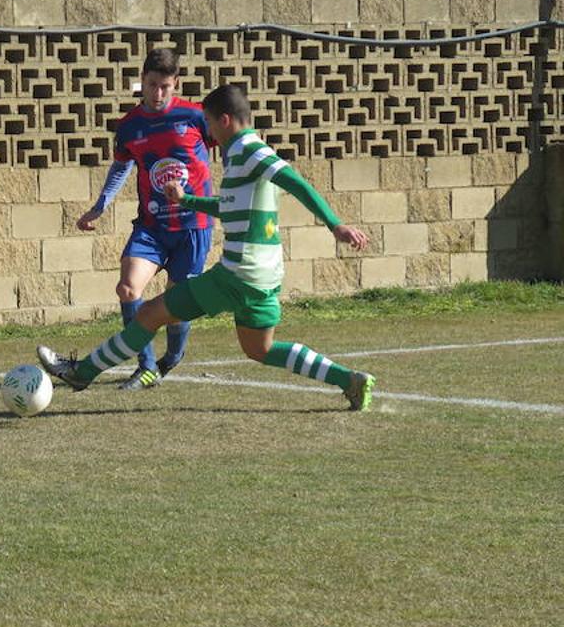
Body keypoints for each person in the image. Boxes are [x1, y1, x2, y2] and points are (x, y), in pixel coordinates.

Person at [38, 83, 376, 411]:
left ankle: (81, 374)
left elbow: (295, 181)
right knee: (260, 348)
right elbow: (228, 207)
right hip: (263, 277)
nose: (210, 131)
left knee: (148, 314)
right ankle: (349, 380)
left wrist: (335, 224)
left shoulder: (249, 150)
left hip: (238, 275)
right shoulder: (243, 157)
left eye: (211, 123)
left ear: (224, 120)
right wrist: (188, 200)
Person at [76, 47, 214, 391]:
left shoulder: (195, 117)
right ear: (143, 81)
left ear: (176, 83)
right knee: (127, 288)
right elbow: (122, 165)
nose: (157, 93)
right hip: (151, 227)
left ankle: (173, 357)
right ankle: (147, 365)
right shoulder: (130, 125)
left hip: (192, 227)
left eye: (165, 86)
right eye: (152, 85)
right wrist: (101, 204)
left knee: (176, 307)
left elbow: (229, 144)